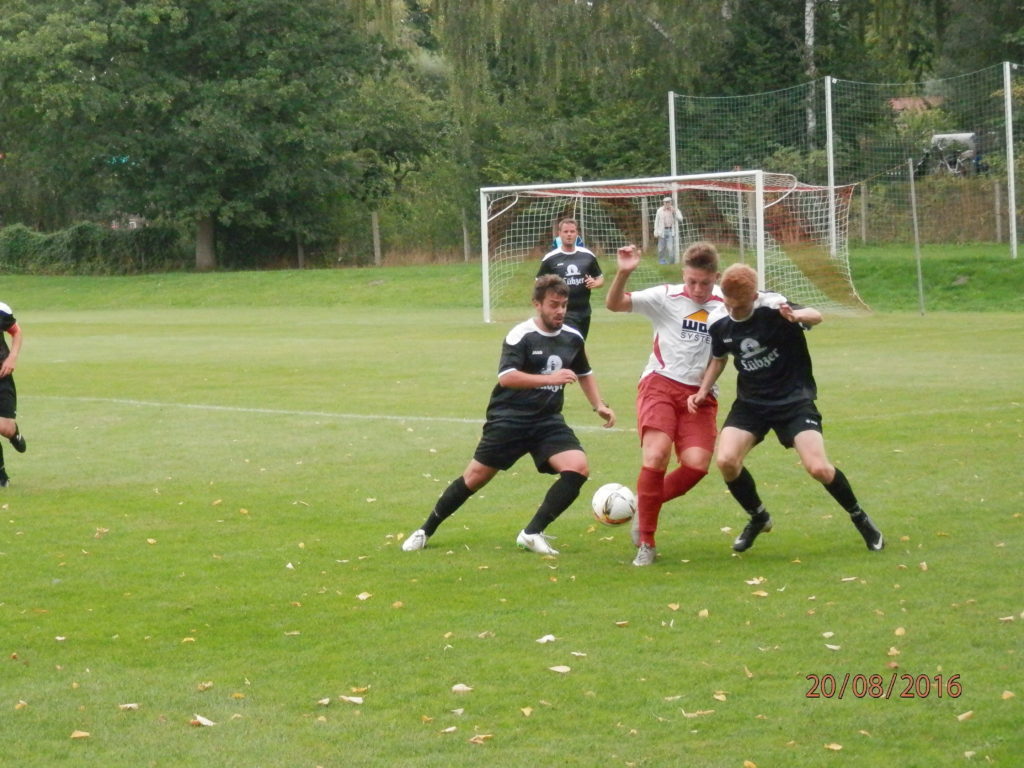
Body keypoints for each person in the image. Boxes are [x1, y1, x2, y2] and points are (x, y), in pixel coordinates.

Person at [402, 275, 616, 555]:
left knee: (578, 467)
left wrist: (598, 404)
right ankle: (425, 530)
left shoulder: (572, 336)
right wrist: (549, 378)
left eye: (563, 305)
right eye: (553, 305)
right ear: (537, 304)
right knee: (474, 478)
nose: (560, 311)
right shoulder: (521, 335)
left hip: (547, 422)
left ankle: (532, 533)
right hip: (509, 419)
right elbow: (507, 377)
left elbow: (584, 372)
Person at [687, 264, 884, 553]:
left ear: (754, 296)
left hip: (793, 399)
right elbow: (719, 358)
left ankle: (860, 517)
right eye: (732, 305)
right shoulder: (718, 320)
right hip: (752, 403)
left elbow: (817, 316)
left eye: (744, 305)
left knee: (818, 467)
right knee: (726, 461)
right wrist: (703, 390)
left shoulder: (773, 305)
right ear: (725, 298)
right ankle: (758, 517)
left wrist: (797, 315)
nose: (738, 311)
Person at [605, 242, 725, 566]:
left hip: (700, 395)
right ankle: (647, 541)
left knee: (697, 465)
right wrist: (623, 273)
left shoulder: (725, 307)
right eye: (692, 281)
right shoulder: (666, 297)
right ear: (683, 275)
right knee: (656, 455)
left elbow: (723, 356)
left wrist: (704, 389)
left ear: (716, 277)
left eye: (705, 282)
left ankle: (644, 505)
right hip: (660, 383)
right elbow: (614, 304)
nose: (698, 289)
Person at [536, 218, 604, 339]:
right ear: (559, 234)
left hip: (584, 311)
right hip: (561, 312)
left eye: (572, 231)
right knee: (568, 345)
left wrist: (595, 283)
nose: (569, 235)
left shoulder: (587, 256)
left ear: (577, 234)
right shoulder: (550, 259)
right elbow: (538, 284)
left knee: (579, 345)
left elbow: (600, 279)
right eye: (566, 231)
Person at [0, 301, 27, 487]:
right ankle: (2, 476)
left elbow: (16, 331)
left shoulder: (0, 310)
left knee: (5, 428)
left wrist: (12, 357)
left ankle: (13, 433)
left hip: (1, 376)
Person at [653, 197, 683, 265]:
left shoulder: (675, 210)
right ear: (663, 203)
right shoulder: (659, 210)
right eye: (665, 202)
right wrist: (655, 231)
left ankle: (671, 262)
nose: (667, 204)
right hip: (662, 231)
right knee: (661, 248)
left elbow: (680, 219)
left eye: (668, 202)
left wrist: (674, 212)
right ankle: (662, 261)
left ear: (671, 202)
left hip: (670, 231)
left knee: (671, 248)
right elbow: (656, 221)